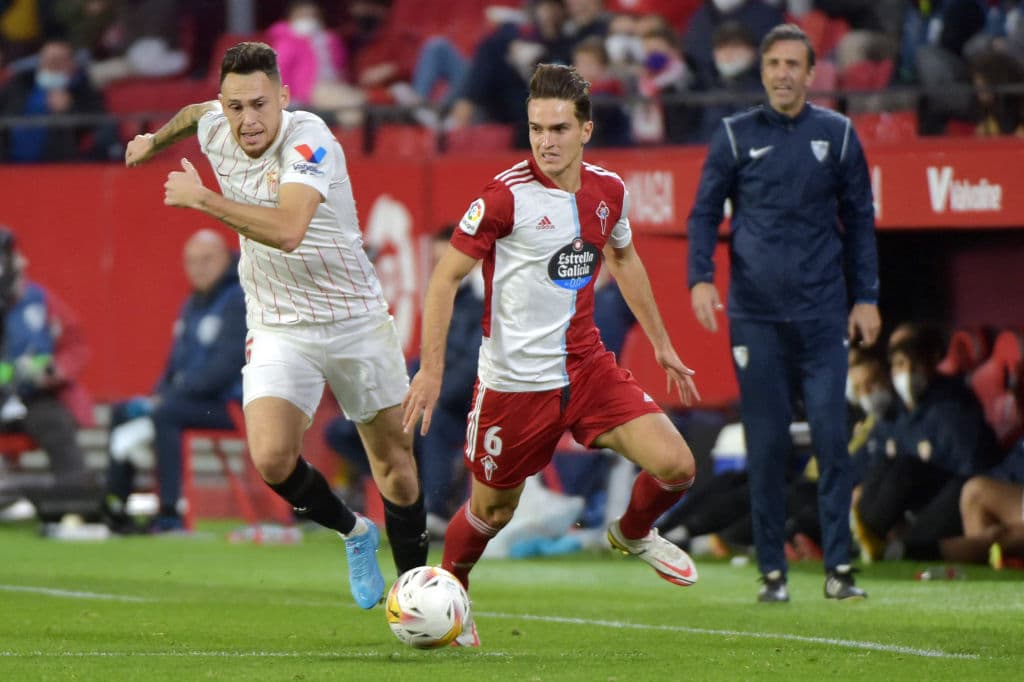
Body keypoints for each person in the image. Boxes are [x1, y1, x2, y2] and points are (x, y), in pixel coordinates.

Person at [403, 63, 701, 647]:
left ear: (586, 129)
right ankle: (453, 591)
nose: (546, 140)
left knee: (678, 466)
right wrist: (431, 370)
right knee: (492, 511)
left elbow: (624, 259)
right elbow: (443, 279)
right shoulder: (503, 198)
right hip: (514, 383)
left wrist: (662, 343)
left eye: (559, 127)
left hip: (585, 367)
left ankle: (633, 532)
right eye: (537, 126)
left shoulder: (608, 191)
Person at [122, 41, 426, 610]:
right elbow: (192, 115)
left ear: (284, 97)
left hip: (354, 318)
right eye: (235, 106)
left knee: (397, 470)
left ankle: (418, 597)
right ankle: (354, 532)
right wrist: (153, 141)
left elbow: (289, 229)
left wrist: (204, 199)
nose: (248, 119)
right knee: (270, 457)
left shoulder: (311, 140)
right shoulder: (214, 122)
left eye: (260, 104)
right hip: (279, 322)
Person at [687, 23, 881, 602]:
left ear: (811, 72)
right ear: (763, 69)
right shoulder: (733, 135)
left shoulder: (839, 135)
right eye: (773, 63)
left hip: (823, 316)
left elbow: (862, 222)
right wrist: (700, 278)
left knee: (830, 439)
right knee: (767, 446)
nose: (782, 73)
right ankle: (772, 571)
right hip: (756, 317)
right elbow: (703, 214)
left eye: (793, 64)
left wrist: (866, 297)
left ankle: (839, 571)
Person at [101, 229, 247, 534]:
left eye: (207, 259)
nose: (199, 268)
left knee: (166, 413)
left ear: (226, 258)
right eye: (192, 261)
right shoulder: (193, 303)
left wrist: (167, 399)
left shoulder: (238, 299)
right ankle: (117, 510)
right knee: (121, 412)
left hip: (230, 405)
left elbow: (225, 368)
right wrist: (158, 394)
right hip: (188, 401)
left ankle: (169, 513)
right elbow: (173, 365)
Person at [0, 226, 100, 518]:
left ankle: (74, 506)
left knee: (57, 426)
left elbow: (77, 346)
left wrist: (53, 369)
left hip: (35, 397)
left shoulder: (39, 301)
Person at [0, 37, 116, 162]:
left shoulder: (84, 90)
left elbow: (99, 125)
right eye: (49, 60)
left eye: (58, 61)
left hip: (57, 166)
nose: (52, 66)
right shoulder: (20, 84)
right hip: (9, 162)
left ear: (71, 63)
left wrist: (69, 108)